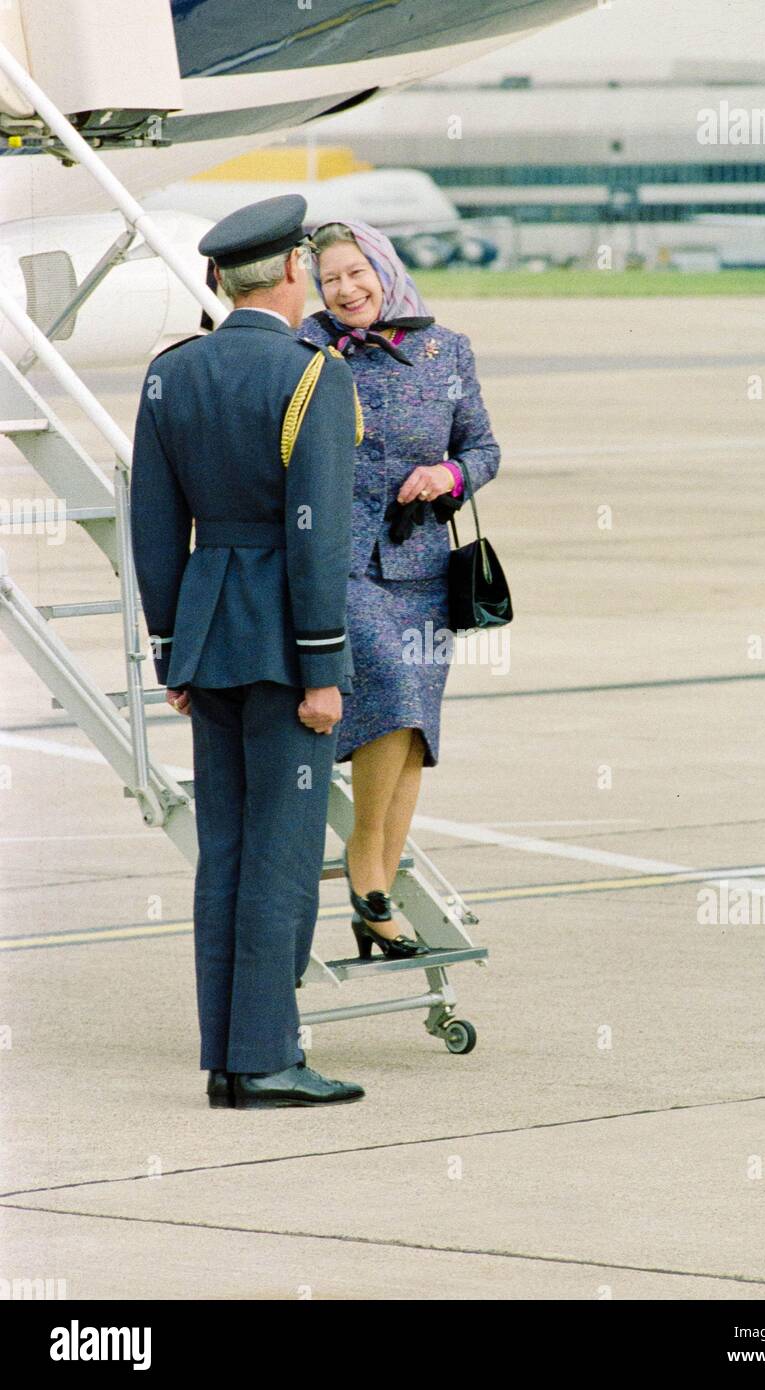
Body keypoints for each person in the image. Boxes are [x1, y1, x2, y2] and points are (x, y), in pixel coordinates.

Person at [130, 195, 366, 1111]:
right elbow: (317, 539)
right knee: (279, 852)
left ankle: (229, 1058)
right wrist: (323, 671)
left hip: (207, 634)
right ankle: (266, 1057)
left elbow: (156, 526)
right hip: (284, 642)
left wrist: (169, 652)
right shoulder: (314, 375)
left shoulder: (172, 373)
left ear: (223, 280)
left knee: (224, 851)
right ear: (296, 273)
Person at [298, 220, 500, 959]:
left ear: (384, 269)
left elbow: (482, 447)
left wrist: (447, 476)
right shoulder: (307, 350)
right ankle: (366, 872)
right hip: (339, 562)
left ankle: (375, 892)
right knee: (386, 692)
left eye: (358, 273)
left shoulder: (447, 350)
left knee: (415, 730)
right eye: (331, 280)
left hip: (418, 565)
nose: (347, 290)